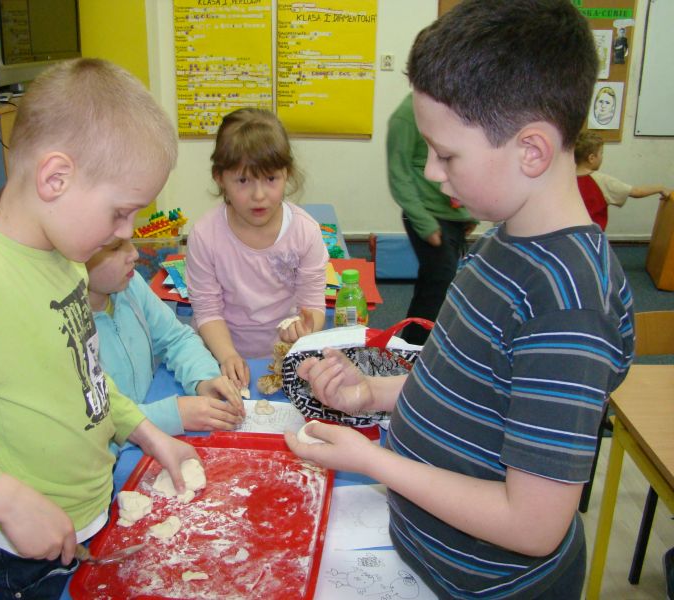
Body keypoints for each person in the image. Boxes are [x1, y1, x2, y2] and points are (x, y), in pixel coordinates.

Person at [285, 1, 635, 598]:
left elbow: (533, 525)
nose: (431, 171)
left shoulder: (567, 308)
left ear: (531, 151)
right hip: (430, 557)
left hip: (491, 586)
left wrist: (373, 463)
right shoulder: (506, 240)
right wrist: (373, 393)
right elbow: (471, 387)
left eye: (446, 154)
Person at [0, 58, 200, 599]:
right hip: (18, 554)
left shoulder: (65, 260)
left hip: (89, 509)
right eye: (120, 213)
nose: (125, 232)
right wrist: (6, 501)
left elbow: (83, 375)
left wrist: (147, 433)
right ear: (55, 178)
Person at [186, 108, 328, 389]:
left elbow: (313, 303)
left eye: (271, 179)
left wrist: (304, 327)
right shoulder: (204, 236)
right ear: (220, 178)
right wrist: (227, 355)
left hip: (282, 357)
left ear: (287, 174)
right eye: (243, 181)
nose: (259, 195)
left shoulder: (305, 232)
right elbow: (208, 310)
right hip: (220, 352)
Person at [86, 238, 245, 439]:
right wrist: (170, 415)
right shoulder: (63, 331)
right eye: (116, 247)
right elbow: (90, 422)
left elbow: (177, 339)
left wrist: (204, 380)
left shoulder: (131, 286)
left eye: (129, 241)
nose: (135, 254)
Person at [386, 92, 477, 345]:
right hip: (427, 216)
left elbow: (463, 160)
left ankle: (418, 347)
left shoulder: (455, 105)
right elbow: (398, 173)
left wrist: (469, 211)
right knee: (437, 286)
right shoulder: (406, 116)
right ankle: (413, 349)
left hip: (454, 214)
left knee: (439, 285)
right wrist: (424, 223)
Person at [575, 130, 671, 230]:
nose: (602, 157)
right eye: (601, 153)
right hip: (592, 236)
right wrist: (660, 188)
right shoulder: (601, 180)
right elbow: (637, 192)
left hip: (567, 234)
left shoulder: (565, 178)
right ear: (591, 158)